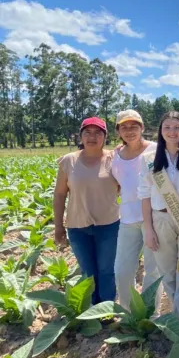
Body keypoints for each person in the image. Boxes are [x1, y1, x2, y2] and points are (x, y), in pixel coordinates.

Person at [140, 111, 179, 329]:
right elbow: (144, 195)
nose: (172, 132)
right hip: (161, 220)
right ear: (160, 131)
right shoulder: (149, 159)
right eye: (167, 127)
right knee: (168, 273)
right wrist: (148, 229)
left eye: (177, 127)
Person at [53, 117, 120, 304]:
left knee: (107, 269)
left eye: (98, 132)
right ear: (80, 136)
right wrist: (58, 226)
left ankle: (106, 308)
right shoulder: (69, 161)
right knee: (88, 271)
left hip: (109, 225)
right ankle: (91, 307)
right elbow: (59, 195)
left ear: (105, 137)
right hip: (77, 226)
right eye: (87, 132)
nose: (92, 137)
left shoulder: (115, 158)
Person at [111, 109, 161, 311]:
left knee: (153, 271)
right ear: (118, 131)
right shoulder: (115, 154)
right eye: (124, 126)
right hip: (128, 219)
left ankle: (150, 314)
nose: (129, 130)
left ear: (142, 128)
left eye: (134, 126)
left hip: (155, 218)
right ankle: (129, 312)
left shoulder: (156, 150)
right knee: (122, 270)